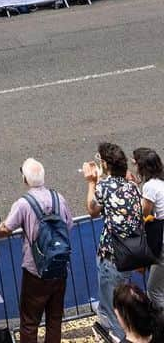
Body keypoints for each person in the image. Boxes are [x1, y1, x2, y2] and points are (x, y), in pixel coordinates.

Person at [0, 158, 74, 343]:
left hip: (35, 270)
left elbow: (6, 228)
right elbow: (69, 224)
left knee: (30, 322)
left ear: (25, 179)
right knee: (54, 319)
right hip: (60, 267)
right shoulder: (59, 198)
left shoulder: (24, 204)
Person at [86, 142, 144, 342]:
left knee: (115, 313)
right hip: (130, 255)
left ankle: (118, 337)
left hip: (111, 257)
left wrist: (92, 182)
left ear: (104, 164)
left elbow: (92, 210)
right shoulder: (132, 187)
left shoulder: (104, 187)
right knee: (118, 302)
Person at [132, 148, 164, 311]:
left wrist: (133, 189)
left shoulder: (150, 187)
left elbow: (143, 212)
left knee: (154, 291)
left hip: (161, 240)